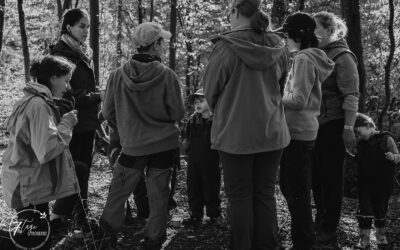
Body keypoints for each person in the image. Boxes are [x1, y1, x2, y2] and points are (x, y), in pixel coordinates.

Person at [202, 0, 289, 248]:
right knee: (264, 193)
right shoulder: (279, 46)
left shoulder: (226, 48)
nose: (228, 17)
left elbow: (211, 91)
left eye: (229, 12)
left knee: (239, 196)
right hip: (272, 131)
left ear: (237, 12)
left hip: (235, 134)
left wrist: (226, 108)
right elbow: (280, 85)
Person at [98, 22, 184, 249]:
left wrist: (126, 127)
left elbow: (107, 112)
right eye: (162, 42)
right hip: (164, 145)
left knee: (119, 190)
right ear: (155, 45)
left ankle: (107, 233)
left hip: (132, 145)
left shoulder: (116, 76)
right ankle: (154, 238)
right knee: (159, 194)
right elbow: (177, 112)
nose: (164, 46)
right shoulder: (168, 76)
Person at [1, 55, 80, 249]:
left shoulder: (33, 100)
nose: (68, 87)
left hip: (29, 181)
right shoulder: (38, 106)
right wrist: (67, 124)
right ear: (53, 78)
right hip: (28, 185)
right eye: (66, 80)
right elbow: (45, 150)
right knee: (37, 242)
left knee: (34, 237)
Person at [276, 12, 335, 250]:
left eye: (287, 35)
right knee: (292, 187)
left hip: (297, 132)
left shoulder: (303, 59)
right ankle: (304, 237)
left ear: (298, 35)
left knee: (296, 190)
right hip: (305, 130)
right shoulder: (312, 57)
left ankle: (303, 242)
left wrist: (275, 96)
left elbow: (299, 99)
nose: (285, 40)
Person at [50, 8, 104, 225]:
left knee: (84, 169)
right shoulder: (61, 54)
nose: (85, 30)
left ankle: (80, 213)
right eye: (82, 26)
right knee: (71, 169)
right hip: (70, 120)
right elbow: (69, 93)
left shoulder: (83, 52)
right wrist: (97, 96)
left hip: (87, 121)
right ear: (69, 26)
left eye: (88, 27)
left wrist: (95, 94)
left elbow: (82, 87)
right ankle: (61, 215)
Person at [312, 11, 360, 247]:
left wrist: (348, 127)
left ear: (329, 30)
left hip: (334, 124)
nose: (312, 32)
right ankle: (320, 218)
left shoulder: (343, 57)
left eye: (316, 28)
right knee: (314, 176)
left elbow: (351, 95)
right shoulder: (314, 54)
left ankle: (329, 227)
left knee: (331, 178)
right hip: (313, 125)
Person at [352, 113, 399, 249]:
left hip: (382, 183)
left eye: (358, 132)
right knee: (364, 211)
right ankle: (364, 239)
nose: (357, 136)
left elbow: (397, 156)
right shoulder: (361, 144)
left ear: (368, 126)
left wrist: (393, 156)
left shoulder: (386, 138)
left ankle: (381, 236)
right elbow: (358, 160)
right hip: (365, 183)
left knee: (380, 210)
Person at [182, 88, 221, 226]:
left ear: (210, 102)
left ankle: (213, 214)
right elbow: (186, 139)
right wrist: (186, 152)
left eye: (201, 101)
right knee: (193, 187)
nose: (197, 104)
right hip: (194, 160)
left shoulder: (216, 120)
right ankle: (195, 214)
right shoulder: (192, 120)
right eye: (195, 102)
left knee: (211, 187)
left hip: (211, 161)